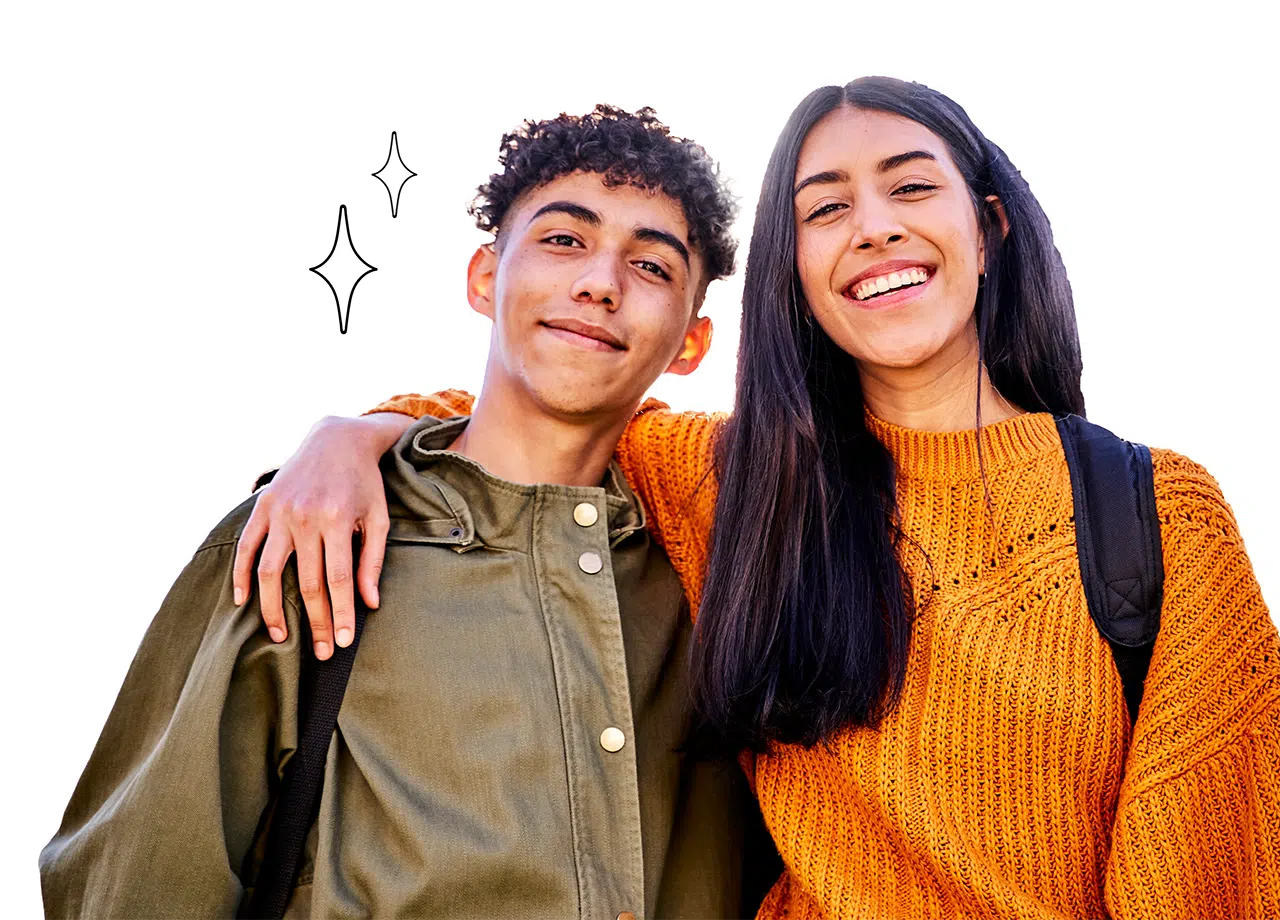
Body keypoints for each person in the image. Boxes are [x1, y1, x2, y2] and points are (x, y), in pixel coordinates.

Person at [233, 78, 1280, 918]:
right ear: (794, 273)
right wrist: (351, 436)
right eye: (824, 208)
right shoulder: (733, 483)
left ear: (988, 227)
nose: (874, 227)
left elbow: (1228, 873)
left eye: (910, 186)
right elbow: (545, 409)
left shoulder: (1151, 512)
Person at [40, 105, 778, 919]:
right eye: (565, 239)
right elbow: (136, 888)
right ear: (485, 278)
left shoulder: (721, 571)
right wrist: (348, 438)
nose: (600, 282)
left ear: (692, 344)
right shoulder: (311, 535)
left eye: (652, 267)